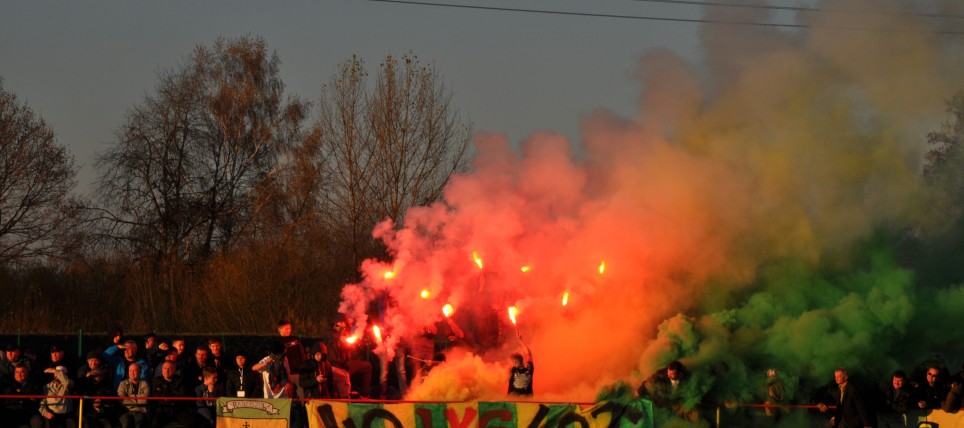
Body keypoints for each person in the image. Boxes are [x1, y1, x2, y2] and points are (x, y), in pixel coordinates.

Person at [150, 360, 192, 428]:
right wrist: (174, 393)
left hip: (178, 410)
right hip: (163, 410)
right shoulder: (156, 380)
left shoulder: (180, 380)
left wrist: (165, 395)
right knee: (154, 424)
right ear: (161, 370)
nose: (167, 371)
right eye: (164, 368)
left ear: (174, 370)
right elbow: (156, 395)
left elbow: (182, 395)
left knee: (192, 422)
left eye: (169, 368)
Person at [4, 364, 43, 428]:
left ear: (27, 373)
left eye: (22, 372)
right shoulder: (8, 384)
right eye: (17, 372)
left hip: (30, 413)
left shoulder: (34, 384)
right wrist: (26, 396)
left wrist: (20, 392)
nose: (19, 375)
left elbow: (35, 397)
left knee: (37, 422)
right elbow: (9, 397)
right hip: (13, 413)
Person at [117, 362, 150, 428]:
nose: (132, 373)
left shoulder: (145, 384)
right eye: (130, 371)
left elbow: (144, 400)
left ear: (140, 372)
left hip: (140, 411)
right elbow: (122, 400)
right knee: (126, 424)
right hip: (126, 410)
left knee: (139, 424)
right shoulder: (122, 384)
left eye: (134, 371)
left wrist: (128, 397)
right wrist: (138, 398)